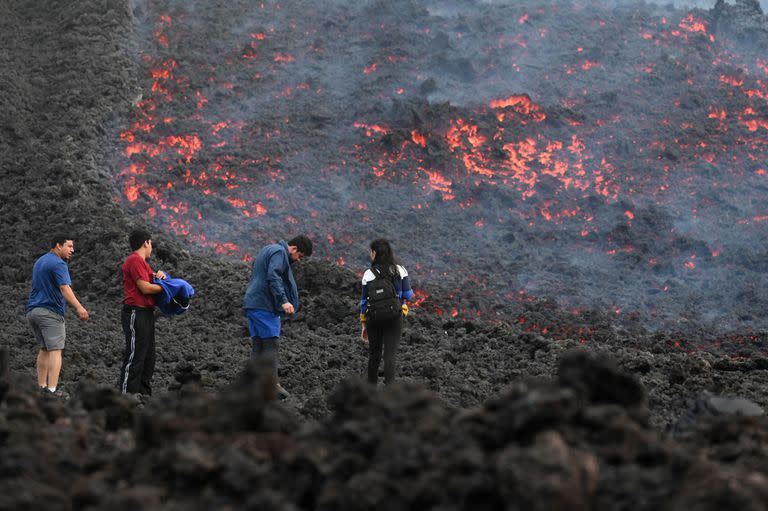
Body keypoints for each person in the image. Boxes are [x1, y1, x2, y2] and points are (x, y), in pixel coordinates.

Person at [242, 235, 313, 399]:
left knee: (259, 343)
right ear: (294, 249)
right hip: (264, 305)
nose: (299, 260)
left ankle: (252, 383)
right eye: (299, 256)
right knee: (271, 342)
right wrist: (284, 301)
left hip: (253, 303)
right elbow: (273, 275)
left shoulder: (267, 249)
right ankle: (271, 385)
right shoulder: (280, 253)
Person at [26, 234, 89, 393]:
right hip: (50, 312)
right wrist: (79, 307)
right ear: (58, 246)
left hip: (33, 311)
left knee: (44, 348)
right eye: (69, 246)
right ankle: (52, 391)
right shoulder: (59, 263)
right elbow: (64, 288)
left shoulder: (40, 261)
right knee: (55, 350)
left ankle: (41, 387)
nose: (72, 250)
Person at [360, 239, 413, 385]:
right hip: (394, 317)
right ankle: (389, 393)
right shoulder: (399, 270)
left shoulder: (368, 274)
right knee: (390, 356)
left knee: (374, 355)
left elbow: (364, 302)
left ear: (374, 253)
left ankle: (371, 391)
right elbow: (408, 295)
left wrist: (363, 324)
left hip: (374, 319)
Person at [119, 229, 166, 395]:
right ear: (146, 242)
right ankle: (125, 397)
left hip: (146, 313)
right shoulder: (134, 260)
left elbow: (151, 280)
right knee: (136, 357)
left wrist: (159, 277)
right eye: (151, 243)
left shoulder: (143, 264)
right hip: (135, 312)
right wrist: (164, 288)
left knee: (148, 357)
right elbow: (145, 288)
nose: (151, 246)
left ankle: (143, 397)